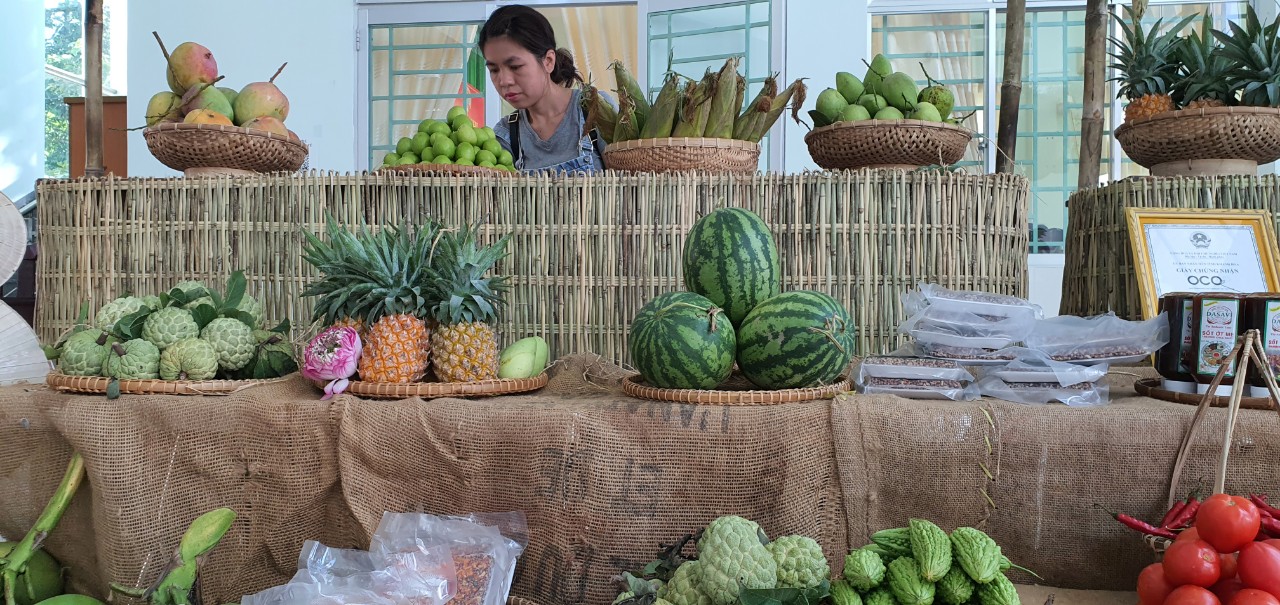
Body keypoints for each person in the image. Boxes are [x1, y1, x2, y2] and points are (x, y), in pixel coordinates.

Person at [479, 5, 611, 174]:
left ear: (548, 61)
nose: (504, 81)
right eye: (494, 70)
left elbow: (630, 186)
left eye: (515, 66)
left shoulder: (595, 109)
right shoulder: (505, 135)